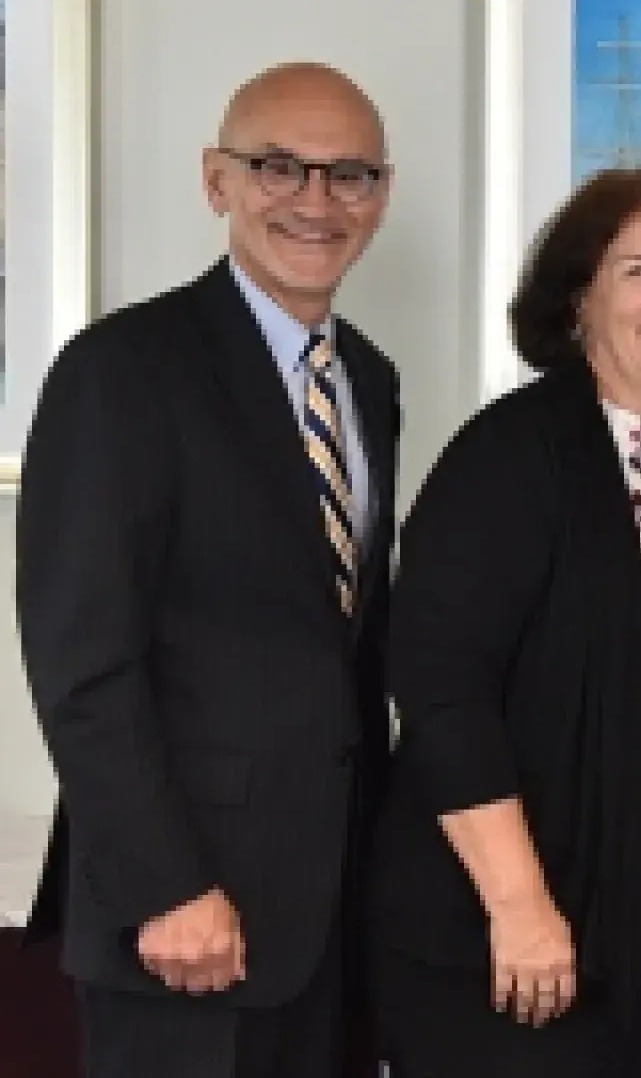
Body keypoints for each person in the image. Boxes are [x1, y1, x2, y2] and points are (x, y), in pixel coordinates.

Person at [363, 167, 641, 1077]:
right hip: (530, 941)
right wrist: (518, 903)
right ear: (578, 300)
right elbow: (442, 691)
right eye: (639, 269)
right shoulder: (510, 454)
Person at [15, 63, 400, 1078]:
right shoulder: (121, 372)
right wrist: (165, 884)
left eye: (350, 175)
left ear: (382, 196)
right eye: (280, 167)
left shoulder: (370, 379)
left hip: (328, 919)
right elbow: (82, 661)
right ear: (215, 180)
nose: (317, 202)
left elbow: (344, 648)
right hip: (182, 921)